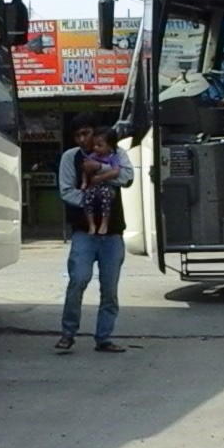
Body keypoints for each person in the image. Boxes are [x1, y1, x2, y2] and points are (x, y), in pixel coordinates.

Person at [55, 116, 132, 353]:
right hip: (83, 232)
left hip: (112, 233)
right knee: (78, 279)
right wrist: (94, 198)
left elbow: (127, 177)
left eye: (86, 133)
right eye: (77, 135)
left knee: (109, 288)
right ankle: (68, 333)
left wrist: (100, 168)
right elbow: (67, 191)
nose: (83, 140)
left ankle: (104, 337)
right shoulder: (71, 157)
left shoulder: (117, 152)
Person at [78, 129, 122, 235]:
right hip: (94, 185)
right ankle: (91, 223)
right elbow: (85, 170)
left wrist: (101, 177)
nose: (96, 148)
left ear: (109, 146)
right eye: (94, 145)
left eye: (99, 145)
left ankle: (104, 223)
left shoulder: (113, 157)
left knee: (106, 198)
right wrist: (84, 182)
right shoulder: (92, 156)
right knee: (88, 197)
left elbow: (116, 172)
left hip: (107, 185)